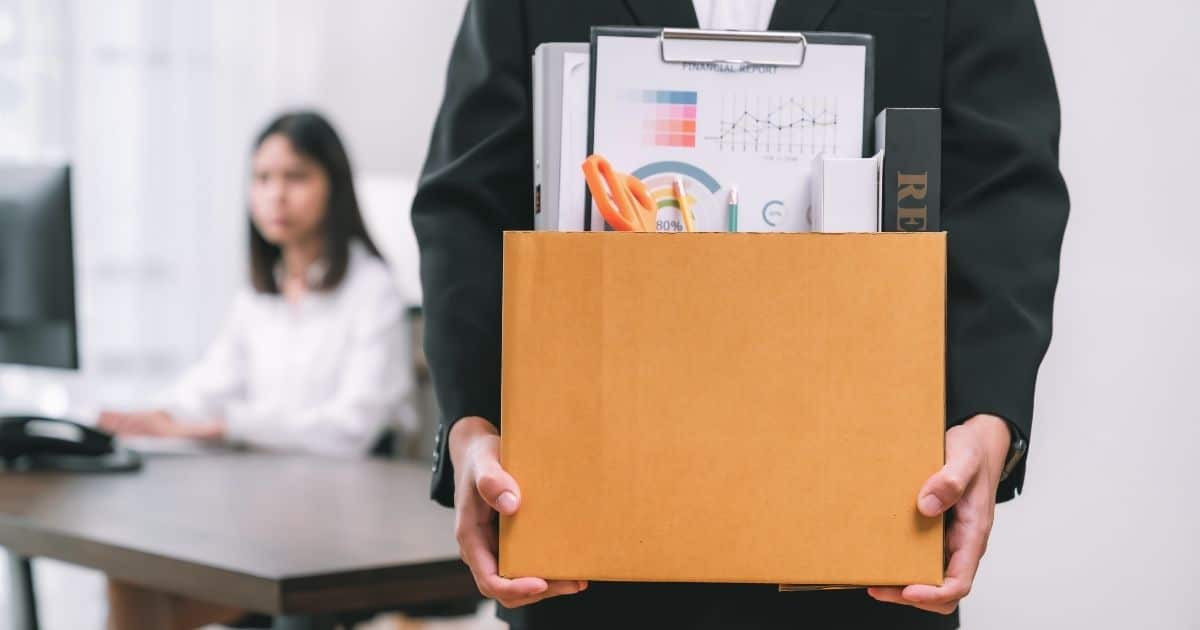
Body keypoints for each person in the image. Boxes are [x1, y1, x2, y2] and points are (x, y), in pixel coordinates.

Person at [412, 1, 1069, 629]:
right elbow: (465, 199)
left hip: (865, 566)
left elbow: (1007, 191)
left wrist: (989, 423)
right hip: (587, 570)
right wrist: (472, 427)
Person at [99, 110, 410, 629]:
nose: (276, 195)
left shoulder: (371, 289)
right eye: (263, 178)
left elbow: (351, 430)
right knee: (131, 573)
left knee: (159, 594)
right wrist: (153, 417)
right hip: (262, 513)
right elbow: (210, 383)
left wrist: (230, 426)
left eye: (296, 177)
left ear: (334, 186)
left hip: (338, 530)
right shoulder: (260, 293)